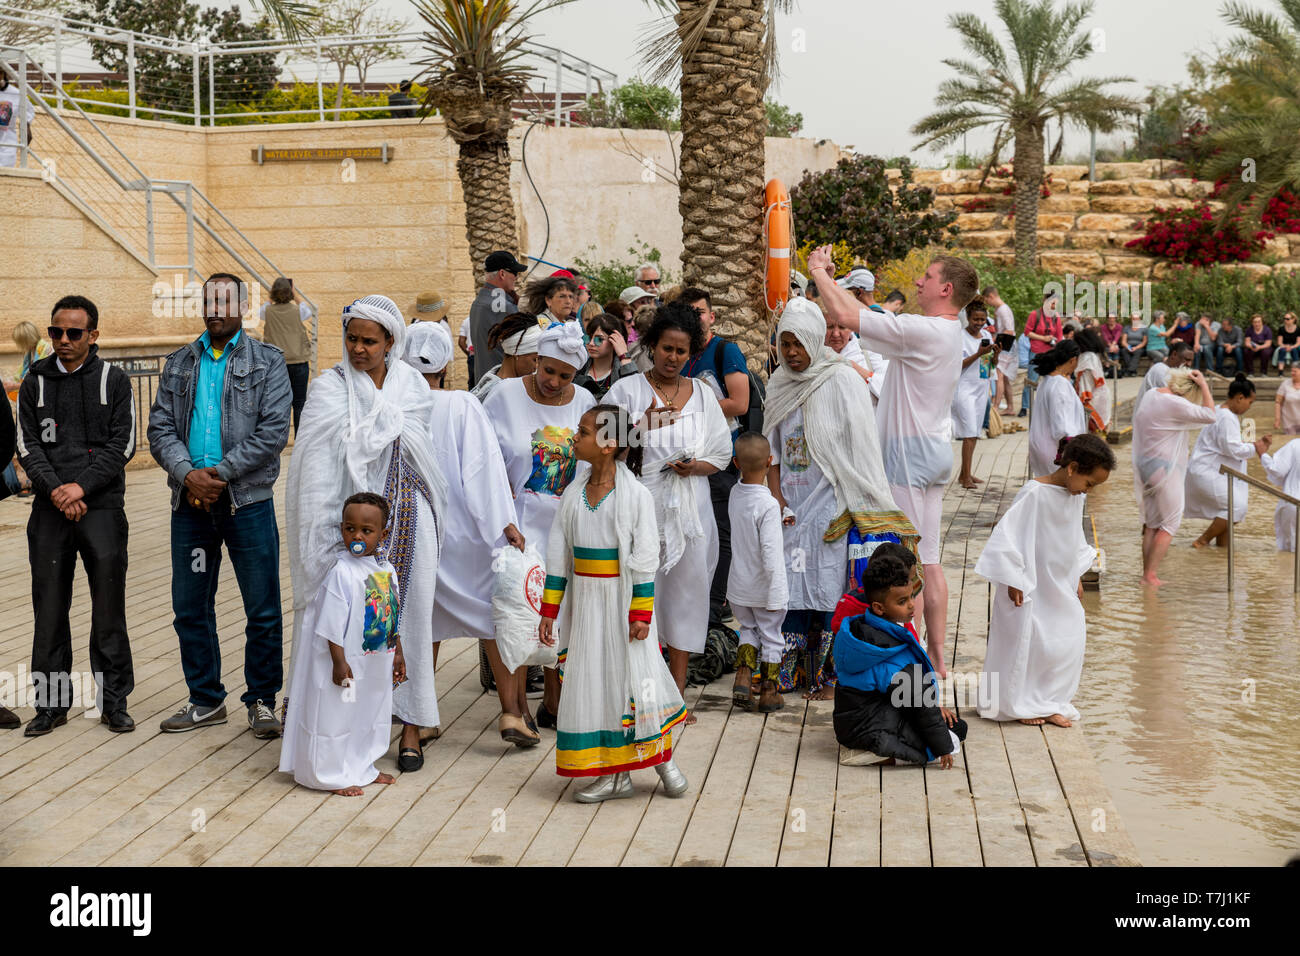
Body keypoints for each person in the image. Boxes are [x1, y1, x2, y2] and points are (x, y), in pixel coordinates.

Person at [286, 294, 447, 771]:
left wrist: (379, 428)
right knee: (347, 623)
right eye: (352, 339)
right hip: (350, 523)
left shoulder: (412, 386)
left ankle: (412, 726)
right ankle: (344, 732)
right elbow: (313, 467)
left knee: (411, 617)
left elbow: (418, 442)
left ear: (391, 342)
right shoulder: (328, 388)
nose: (359, 349)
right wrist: (330, 531)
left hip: (410, 518)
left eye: (369, 341)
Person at [810, 246, 977, 679]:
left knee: (906, 561)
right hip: (938, 449)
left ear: (945, 288)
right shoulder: (950, 331)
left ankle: (915, 653)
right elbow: (860, 313)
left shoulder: (926, 329)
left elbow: (848, 318)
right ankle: (938, 660)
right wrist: (833, 281)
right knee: (932, 559)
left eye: (927, 276)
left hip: (908, 454)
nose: (918, 282)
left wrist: (817, 273)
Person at [150, 273, 291, 738]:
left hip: (246, 504)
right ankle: (206, 699)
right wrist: (188, 474)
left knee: (263, 608)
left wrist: (220, 474)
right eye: (208, 301)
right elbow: (160, 429)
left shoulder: (268, 362)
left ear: (243, 307)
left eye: (225, 302)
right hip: (189, 504)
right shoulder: (178, 364)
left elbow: (273, 433)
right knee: (190, 607)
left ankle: (262, 700)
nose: (215, 309)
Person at [764, 296, 921, 699]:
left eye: (800, 343)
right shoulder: (779, 384)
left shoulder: (843, 380)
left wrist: (856, 507)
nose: (793, 353)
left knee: (832, 592)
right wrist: (778, 502)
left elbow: (862, 452)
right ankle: (791, 673)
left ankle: (832, 678)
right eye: (786, 344)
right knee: (792, 589)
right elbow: (773, 455)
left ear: (816, 340)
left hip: (835, 511)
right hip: (792, 514)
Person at [538, 404, 688, 801]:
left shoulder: (634, 495)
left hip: (623, 607)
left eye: (584, 432)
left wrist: (641, 614)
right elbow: (558, 554)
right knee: (597, 682)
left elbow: (644, 557)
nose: (576, 437)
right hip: (586, 607)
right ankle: (614, 772)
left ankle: (661, 760)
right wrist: (549, 611)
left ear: (608, 445)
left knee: (636, 682)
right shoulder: (573, 493)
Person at [402, 321, 530, 742]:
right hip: (471, 538)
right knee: (492, 619)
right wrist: (503, 524)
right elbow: (483, 470)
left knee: (425, 625)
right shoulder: (462, 404)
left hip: (420, 535)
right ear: (446, 365)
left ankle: (420, 718)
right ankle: (511, 713)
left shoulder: (394, 406)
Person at [17, 294, 136, 737]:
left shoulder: (115, 380)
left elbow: (122, 445)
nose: (62, 341)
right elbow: (27, 445)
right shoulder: (34, 381)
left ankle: (114, 702)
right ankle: (50, 706)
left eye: (73, 333)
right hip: (50, 510)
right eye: (55, 332)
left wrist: (81, 487)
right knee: (48, 609)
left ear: (93, 336)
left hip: (101, 508)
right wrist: (57, 491)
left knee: (108, 609)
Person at [606, 302, 732, 713]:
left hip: (689, 515)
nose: (673, 358)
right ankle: (640, 695)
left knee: (685, 599)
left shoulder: (704, 395)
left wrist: (694, 466)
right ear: (651, 346)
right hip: (640, 512)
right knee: (639, 597)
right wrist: (644, 426)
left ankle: (675, 698)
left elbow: (722, 452)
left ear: (690, 352)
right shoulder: (626, 390)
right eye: (666, 349)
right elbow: (601, 445)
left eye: (681, 351)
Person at [482, 321, 596, 732]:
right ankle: (514, 710)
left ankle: (554, 700)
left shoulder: (584, 400)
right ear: (535, 360)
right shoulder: (504, 395)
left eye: (564, 375)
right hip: (513, 525)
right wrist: (499, 518)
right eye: (547, 370)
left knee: (560, 612)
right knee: (514, 613)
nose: (553, 381)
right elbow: (486, 462)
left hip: (565, 526)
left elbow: (596, 460)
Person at [976, 434, 1114, 727]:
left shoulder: (1075, 497)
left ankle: (1049, 700)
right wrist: (1013, 577)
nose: (1088, 491)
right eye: (1090, 483)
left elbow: (1075, 537)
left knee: (1068, 639)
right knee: (1033, 640)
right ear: (1073, 468)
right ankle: (1024, 703)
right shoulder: (1034, 493)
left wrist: (1077, 572)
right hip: (1031, 582)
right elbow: (1009, 536)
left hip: (1059, 581)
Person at [279, 493, 406, 796]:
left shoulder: (386, 571)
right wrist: (338, 662)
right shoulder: (341, 572)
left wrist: (399, 653)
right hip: (346, 663)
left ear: (382, 534)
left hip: (376, 660)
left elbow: (391, 614)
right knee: (336, 716)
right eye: (350, 529)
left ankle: (363, 766)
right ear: (342, 529)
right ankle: (329, 774)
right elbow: (331, 623)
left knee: (369, 715)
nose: (357, 536)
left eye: (366, 530)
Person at [832, 555, 966, 767]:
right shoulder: (889, 652)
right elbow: (919, 702)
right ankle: (874, 754)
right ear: (878, 607)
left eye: (912, 596)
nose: (912, 605)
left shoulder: (860, 629)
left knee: (948, 725)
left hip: (856, 720)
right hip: (869, 728)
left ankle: (875, 746)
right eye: (902, 602)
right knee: (954, 734)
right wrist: (943, 748)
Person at [679, 287, 751, 635]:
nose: (695, 317)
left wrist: (691, 407)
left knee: (721, 532)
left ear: (712, 316)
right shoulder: (680, 353)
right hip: (689, 458)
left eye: (700, 311)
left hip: (722, 458)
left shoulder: (725, 350)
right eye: (688, 312)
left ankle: (714, 604)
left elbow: (740, 402)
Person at [1132, 369, 1217, 586]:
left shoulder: (1152, 394)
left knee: (1152, 523)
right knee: (1169, 523)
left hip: (1145, 466)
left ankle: (1146, 574)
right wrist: (1205, 385)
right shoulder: (1176, 403)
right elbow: (1210, 415)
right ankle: (1150, 575)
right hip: (1163, 468)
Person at [727, 432, 789, 713]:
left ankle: (743, 675)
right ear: (770, 461)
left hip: (739, 585)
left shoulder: (735, 493)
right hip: (765, 587)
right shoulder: (768, 505)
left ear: (736, 462)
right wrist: (777, 592)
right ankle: (769, 690)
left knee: (748, 629)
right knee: (772, 634)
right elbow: (771, 553)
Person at [1185, 374, 1270, 549]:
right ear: (1240, 398)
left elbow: (1229, 445)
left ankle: (1221, 552)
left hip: (1208, 471)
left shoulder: (1222, 412)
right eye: (1250, 402)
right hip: (1208, 472)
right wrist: (1256, 447)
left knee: (1229, 510)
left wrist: (1252, 445)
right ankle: (1202, 540)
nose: (1249, 407)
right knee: (1236, 508)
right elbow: (1232, 449)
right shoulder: (1226, 417)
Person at [3, 320, 52, 496]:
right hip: (31, 405)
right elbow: (21, 376)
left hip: (42, 407)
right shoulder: (30, 353)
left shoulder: (44, 350)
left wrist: (12, 385)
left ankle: (36, 481)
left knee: (40, 444)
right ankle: (30, 480)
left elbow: (35, 377)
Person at [259, 277, 313, 433]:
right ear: (291, 291)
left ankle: (277, 441)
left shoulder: (266, 311)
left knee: (277, 404)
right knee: (299, 403)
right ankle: (299, 441)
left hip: (276, 364)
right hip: (299, 362)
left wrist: (271, 295)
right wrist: (294, 294)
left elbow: (261, 310)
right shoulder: (299, 311)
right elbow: (307, 310)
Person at [466, 250, 527, 387]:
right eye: (514, 273)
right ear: (502, 274)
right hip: (501, 385)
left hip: (484, 381)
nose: (516, 278)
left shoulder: (480, 300)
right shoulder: (502, 305)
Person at [1028, 340, 1087, 478]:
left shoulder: (1047, 380)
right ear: (1073, 360)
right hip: (1056, 451)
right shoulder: (1060, 384)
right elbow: (1062, 426)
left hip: (1041, 447)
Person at [953, 300, 995, 488]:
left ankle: (966, 473)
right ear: (968, 318)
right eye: (975, 319)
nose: (979, 323)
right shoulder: (960, 337)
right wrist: (978, 353)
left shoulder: (986, 335)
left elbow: (991, 365)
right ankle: (965, 477)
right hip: (964, 389)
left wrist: (996, 355)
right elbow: (956, 366)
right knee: (969, 433)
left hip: (981, 387)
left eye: (982, 319)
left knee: (975, 433)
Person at [469, 314, 541, 402]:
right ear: (516, 354)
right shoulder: (496, 394)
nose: (537, 366)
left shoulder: (500, 377)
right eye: (535, 360)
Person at [574, 312, 637, 400]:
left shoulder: (622, 370)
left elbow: (636, 394)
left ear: (615, 340)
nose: (591, 343)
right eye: (588, 338)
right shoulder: (577, 369)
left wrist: (624, 355)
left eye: (599, 339)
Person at [1134, 340, 1192, 415]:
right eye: (1187, 360)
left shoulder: (1167, 370)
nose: (1189, 364)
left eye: (1191, 361)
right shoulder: (1161, 371)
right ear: (1174, 354)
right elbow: (1175, 401)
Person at [1262, 438, 1300, 552]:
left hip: (1294, 502)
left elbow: (1277, 470)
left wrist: (1262, 454)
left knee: (1291, 554)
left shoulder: (1295, 444)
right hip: (1293, 504)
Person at [985, 286, 1018, 413]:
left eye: (987, 300)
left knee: (999, 374)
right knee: (1004, 378)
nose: (988, 303)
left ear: (991, 296)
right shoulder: (999, 310)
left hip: (1006, 344)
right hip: (1005, 343)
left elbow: (1009, 330)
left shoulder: (1003, 310)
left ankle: (996, 406)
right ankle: (1010, 407)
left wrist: (996, 342)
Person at [1073, 328, 1111, 433]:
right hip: (1101, 397)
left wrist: (1082, 398)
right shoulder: (1093, 356)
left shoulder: (1086, 359)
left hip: (1093, 400)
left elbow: (1085, 385)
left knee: (1094, 437)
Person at [0, 69, 35, 168]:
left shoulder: (15, 94)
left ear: (3, 73)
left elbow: (29, 110)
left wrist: (26, 125)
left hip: (7, 146)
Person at [1121, 311, 1148, 378]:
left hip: (1140, 347)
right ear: (1131, 319)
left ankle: (1129, 370)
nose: (1135, 320)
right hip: (1129, 346)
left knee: (1137, 351)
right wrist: (1128, 347)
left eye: (1136, 319)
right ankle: (1133, 371)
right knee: (1124, 351)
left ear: (1140, 319)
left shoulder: (1144, 328)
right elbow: (1123, 341)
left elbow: (1144, 342)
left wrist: (1136, 347)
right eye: (1133, 319)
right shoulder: (1127, 328)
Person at [1275, 364, 1300, 434]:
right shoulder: (1285, 384)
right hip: (1289, 422)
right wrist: (1277, 419)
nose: (1292, 373)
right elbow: (1278, 402)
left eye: (1295, 371)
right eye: (1292, 371)